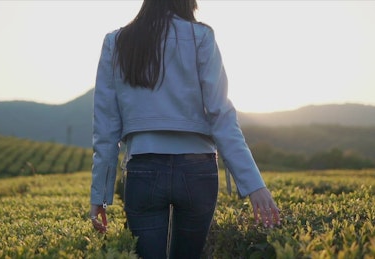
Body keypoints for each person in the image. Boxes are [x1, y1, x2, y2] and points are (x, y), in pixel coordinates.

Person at [90, 0, 281, 258]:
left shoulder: (117, 41)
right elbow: (221, 115)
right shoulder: (201, 36)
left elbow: (105, 129)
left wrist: (99, 196)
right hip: (198, 170)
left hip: (143, 168)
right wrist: (253, 185)